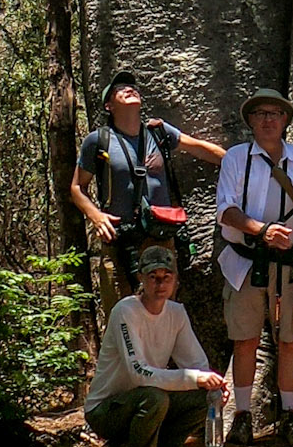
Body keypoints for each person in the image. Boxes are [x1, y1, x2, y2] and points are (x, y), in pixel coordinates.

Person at [216, 85, 293, 447]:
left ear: (285, 120)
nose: (268, 120)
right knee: (244, 340)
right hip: (245, 263)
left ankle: (291, 417)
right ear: (250, 121)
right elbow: (225, 210)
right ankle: (243, 417)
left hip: (289, 266)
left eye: (275, 114)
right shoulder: (236, 158)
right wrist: (261, 231)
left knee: (289, 341)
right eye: (260, 114)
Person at [71, 69, 226, 311]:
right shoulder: (98, 140)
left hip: (160, 238)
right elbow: (76, 188)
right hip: (119, 240)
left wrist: (241, 163)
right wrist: (96, 216)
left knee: (162, 312)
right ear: (109, 106)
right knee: (121, 313)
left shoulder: (158, 132)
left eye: (132, 87)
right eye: (120, 89)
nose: (129, 90)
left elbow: (199, 148)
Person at [85, 241, 227, 447]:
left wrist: (212, 384)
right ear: (141, 278)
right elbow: (138, 373)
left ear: (175, 280)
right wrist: (195, 377)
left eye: (166, 277)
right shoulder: (125, 312)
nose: (160, 284)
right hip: (107, 410)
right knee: (154, 397)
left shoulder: (176, 313)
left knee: (202, 396)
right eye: (153, 277)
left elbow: (196, 364)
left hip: (147, 404)